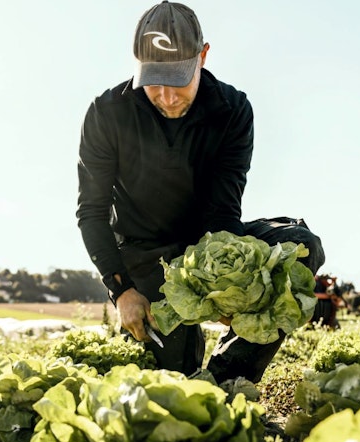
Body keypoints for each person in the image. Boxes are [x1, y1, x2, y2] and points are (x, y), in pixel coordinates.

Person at [76, 1, 325, 384]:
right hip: (145, 254)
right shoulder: (106, 114)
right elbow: (91, 212)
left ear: (203, 57)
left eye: (177, 79)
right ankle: (184, 367)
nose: (167, 96)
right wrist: (121, 290)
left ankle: (230, 379)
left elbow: (223, 209)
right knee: (177, 377)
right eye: (154, 81)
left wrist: (228, 291)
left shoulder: (232, 110)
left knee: (301, 248)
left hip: (210, 242)